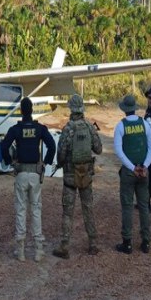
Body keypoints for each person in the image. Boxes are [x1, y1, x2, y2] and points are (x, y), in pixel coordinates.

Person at [1, 97, 56, 263]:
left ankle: (21, 251)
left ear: (21, 111)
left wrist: (10, 162)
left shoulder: (16, 129)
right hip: (35, 174)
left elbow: (4, 146)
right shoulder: (39, 128)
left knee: (20, 209)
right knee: (36, 210)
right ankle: (39, 250)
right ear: (32, 111)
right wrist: (45, 162)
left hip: (21, 173)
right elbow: (52, 145)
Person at [52, 94, 103, 259]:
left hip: (70, 176)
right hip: (86, 175)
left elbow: (61, 154)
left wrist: (61, 163)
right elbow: (99, 149)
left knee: (68, 212)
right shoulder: (89, 127)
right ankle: (93, 243)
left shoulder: (68, 128)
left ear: (71, 109)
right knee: (88, 208)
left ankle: (64, 245)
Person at [113, 94, 151, 254]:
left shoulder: (120, 126)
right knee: (144, 206)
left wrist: (132, 167)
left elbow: (119, 150)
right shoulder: (144, 123)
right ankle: (146, 242)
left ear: (124, 110)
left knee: (127, 206)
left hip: (129, 172)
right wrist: (144, 166)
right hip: (143, 172)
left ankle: (127, 242)